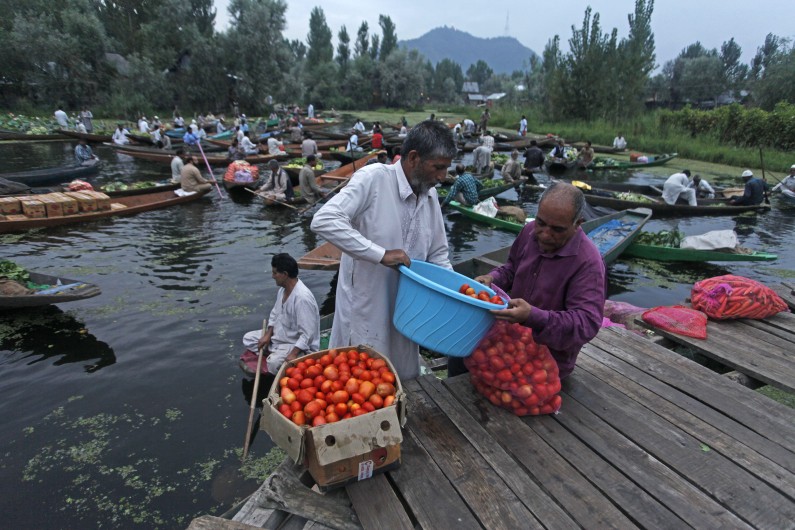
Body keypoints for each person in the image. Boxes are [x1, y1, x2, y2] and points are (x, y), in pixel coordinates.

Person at [310, 120, 458, 380]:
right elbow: (324, 220)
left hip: (407, 311)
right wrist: (381, 254)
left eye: (446, 168)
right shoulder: (374, 179)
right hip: (367, 309)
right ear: (414, 158)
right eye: (438, 167)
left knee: (402, 379)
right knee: (362, 381)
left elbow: (438, 255)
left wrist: (457, 293)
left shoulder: (430, 196)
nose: (442, 177)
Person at [454, 182, 606, 380]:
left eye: (557, 229)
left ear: (578, 224)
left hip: (547, 362)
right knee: (458, 353)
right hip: (509, 341)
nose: (545, 233)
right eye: (541, 223)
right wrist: (492, 278)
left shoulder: (588, 263)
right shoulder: (529, 231)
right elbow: (512, 268)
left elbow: (586, 323)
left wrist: (533, 317)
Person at [240, 253, 320, 375]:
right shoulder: (282, 290)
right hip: (280, 336)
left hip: (294, 343)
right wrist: (268, 334)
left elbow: (307, 335)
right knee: (248, 338)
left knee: (273, 363)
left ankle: (280, 355)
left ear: (285, 274)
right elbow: (274, 314)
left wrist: (293, 354)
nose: (272, 276)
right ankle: (275, 351)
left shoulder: (302, 298)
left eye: (275, 273)